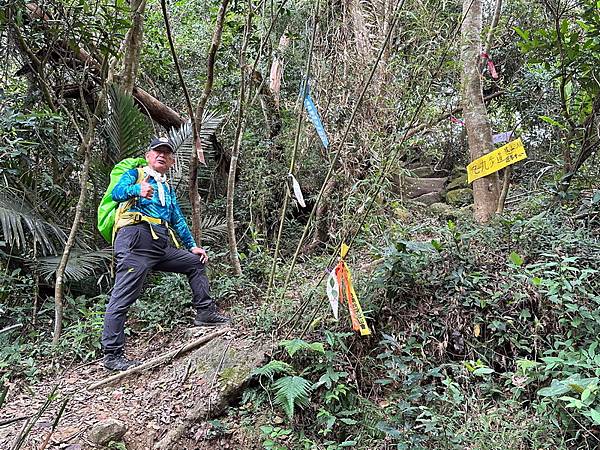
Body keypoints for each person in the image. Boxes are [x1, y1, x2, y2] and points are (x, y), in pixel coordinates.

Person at [101, 136, 230, 371]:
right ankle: (112, 355)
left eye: (166, 153)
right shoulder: (137, 174)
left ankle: (205, 313)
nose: (161, 155)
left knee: (195, 262)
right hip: (135, 239)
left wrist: (192, 246)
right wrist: (136, 189)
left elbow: (177, 219)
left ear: (171, 160)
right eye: (156, 151)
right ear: (148, 156)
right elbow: (117, 193)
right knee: (123, 296)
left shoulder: (166, 187)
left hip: (159, 242)